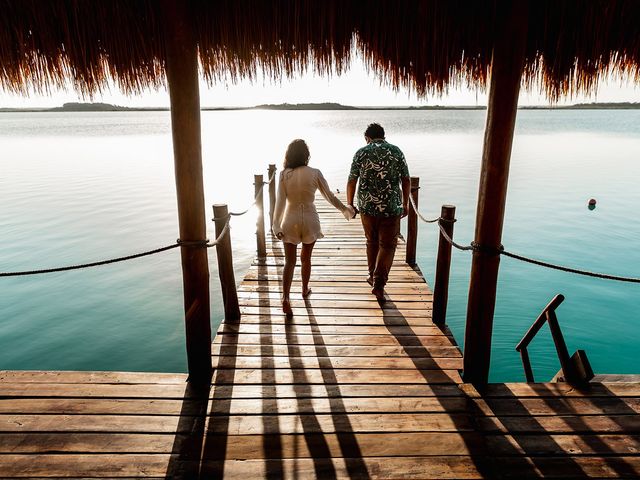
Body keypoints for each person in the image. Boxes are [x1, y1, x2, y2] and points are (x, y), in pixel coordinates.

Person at [272, 139, 355, 316]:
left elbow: (279, 203)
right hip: (310, 220)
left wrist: (276, 225)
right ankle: (304, 289)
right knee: (306, 259)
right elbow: (329, 196)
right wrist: (345, 210)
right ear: (306, 155)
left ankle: (286, 298)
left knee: (289, 262)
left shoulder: (284, 174)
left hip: (290, 219)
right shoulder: (315, 173)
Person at [346, 123, 410, 303]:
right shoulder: (396, 151)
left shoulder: (361, 152)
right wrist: (405, 204)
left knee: (371, 241)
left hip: (367, 207)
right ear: (384, 136)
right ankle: (379, 284)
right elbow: (406, 180)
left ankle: (372, 275)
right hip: (391, 207)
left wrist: (350, 204)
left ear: (367, 137)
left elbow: (351, 181)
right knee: (388, 246)